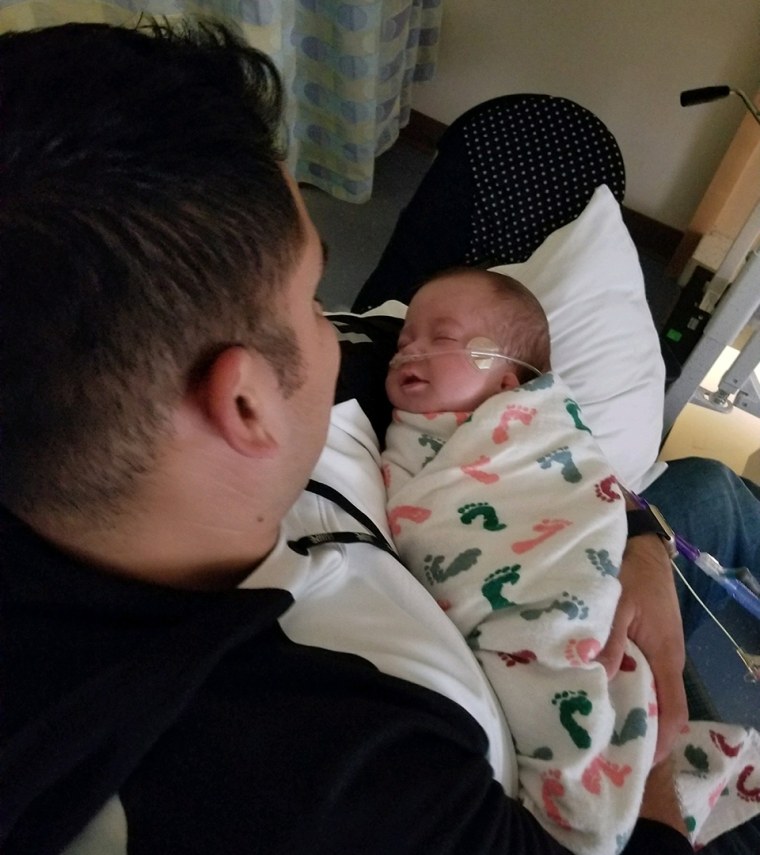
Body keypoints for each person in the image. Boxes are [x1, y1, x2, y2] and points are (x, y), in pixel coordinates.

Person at [0, 18, 753, 855]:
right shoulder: (357, 784)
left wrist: (641, 540)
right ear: (245, 406)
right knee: (714, 495)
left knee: (699, 488)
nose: (351, 327)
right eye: (312, 295)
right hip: (619, 736)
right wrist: (655, 775)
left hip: (608, 559)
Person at [381, 268, 760, 854]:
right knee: (715, 493)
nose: (407, 348)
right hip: (563, 608)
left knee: (714, 485)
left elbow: (580, 473)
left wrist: (643, 542)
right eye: (407, 339)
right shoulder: (404, 431)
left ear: (508, 380)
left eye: (439, 337)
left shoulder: (530, 418)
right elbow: (426, 519)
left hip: (595, 547)